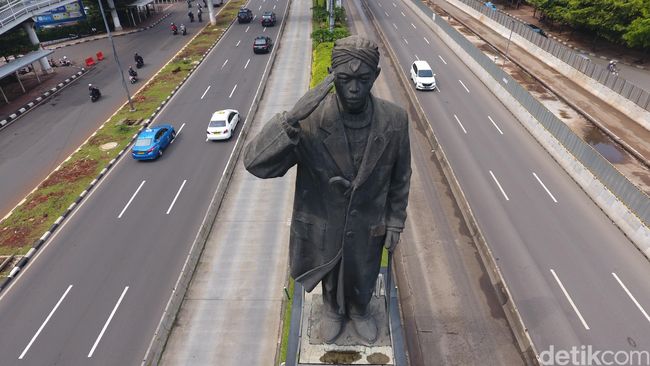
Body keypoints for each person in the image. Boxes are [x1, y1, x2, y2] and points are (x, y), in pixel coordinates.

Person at [244, 36, 411, 345]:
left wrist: (395, 221)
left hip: (368, 227)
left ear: (374, 76)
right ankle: (332, 309)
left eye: (363, 79)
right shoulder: (309, 123)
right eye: (345, 79)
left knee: (363, 271)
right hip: (323, 225)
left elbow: (401, 177)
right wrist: (291, 118)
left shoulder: (395, 120)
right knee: (331, 277)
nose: (354, 89)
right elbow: (254, 163)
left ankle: (360, 311)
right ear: (333, 76)